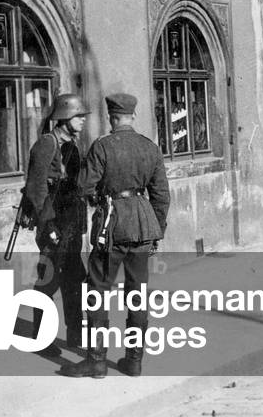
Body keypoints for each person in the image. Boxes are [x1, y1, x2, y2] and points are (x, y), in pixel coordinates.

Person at [60, 93, 170, 379]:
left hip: (112, 226)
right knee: (137, 294)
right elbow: (161, 196)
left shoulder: (103, 146)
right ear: (133, 116)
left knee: (97, 290)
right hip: (143, 225)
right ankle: (134, 361)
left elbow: (83, 186)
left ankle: (96, 361)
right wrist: (156, 230)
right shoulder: (150, 147)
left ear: (112, 117)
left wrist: (100, 198)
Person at [22, 93, 89, 356]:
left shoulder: (72, 144)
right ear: (64, 116)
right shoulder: (46, 144)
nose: (83, 120)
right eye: (78, 116)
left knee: (75, 279)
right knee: (48, 280)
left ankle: (76, 334)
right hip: (53, 221)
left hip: (71, 222)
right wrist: (47, 224)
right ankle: (40, 338)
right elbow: (36, 187)